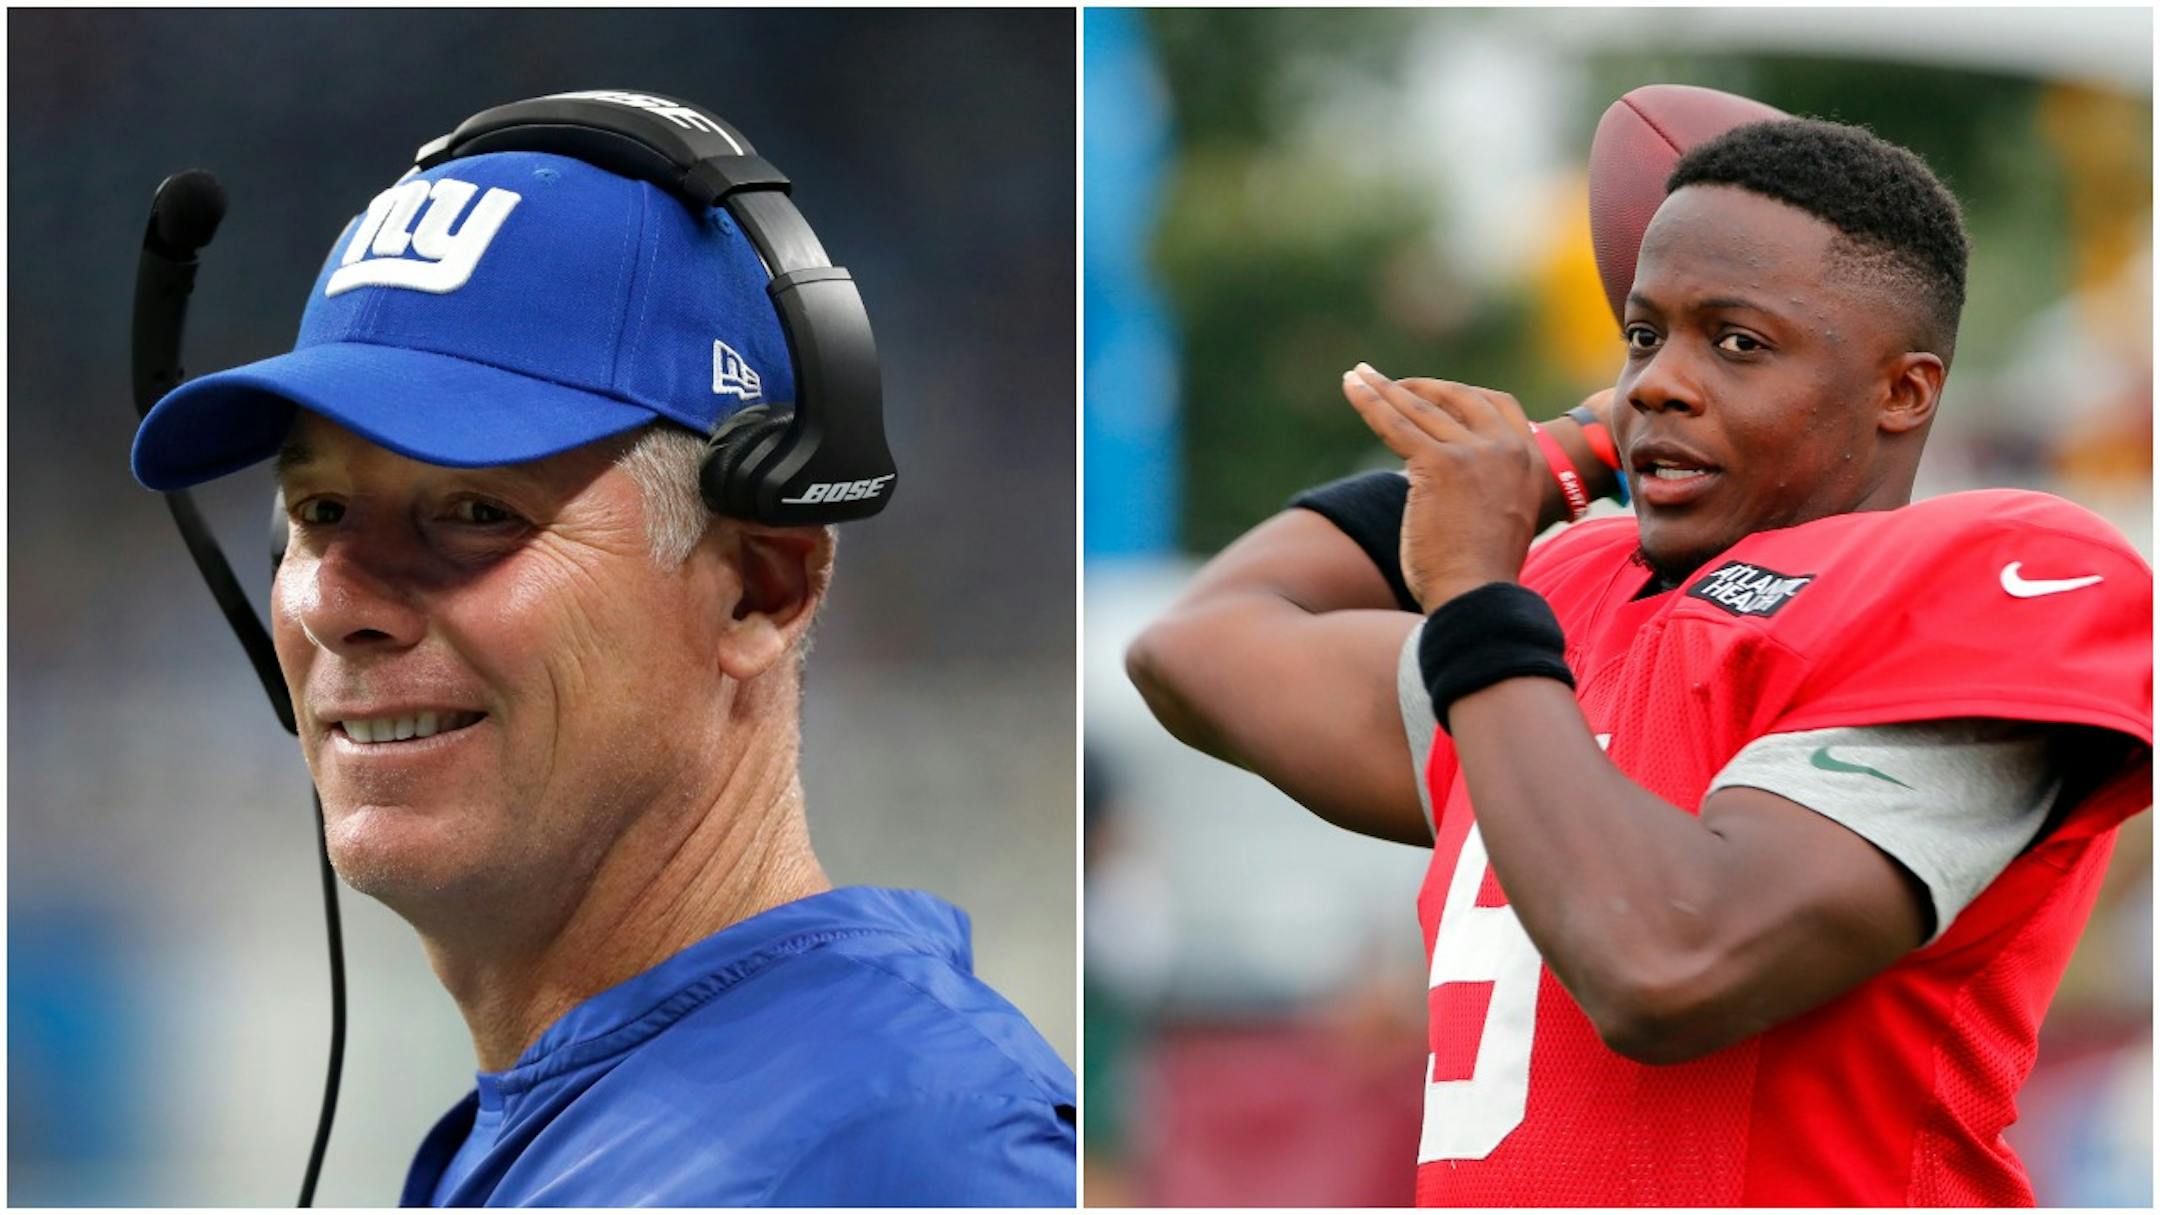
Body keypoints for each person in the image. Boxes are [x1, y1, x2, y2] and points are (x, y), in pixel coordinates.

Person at [1128, 117, 2151, 1205]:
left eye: (1736, 342)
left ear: (1903, 391)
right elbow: (1198, 645)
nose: (1658, 383)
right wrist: (1559, 457)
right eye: (1643, 339)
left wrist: (1475, 592)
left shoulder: (1989, 572)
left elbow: (1668, 967)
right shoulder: (1569, 602)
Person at [130, 96, 1075, 1206]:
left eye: (477, 512)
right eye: (321, 511)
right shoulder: (605, 1119)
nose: (337, 602)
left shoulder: (910, 1155)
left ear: (759, 590)